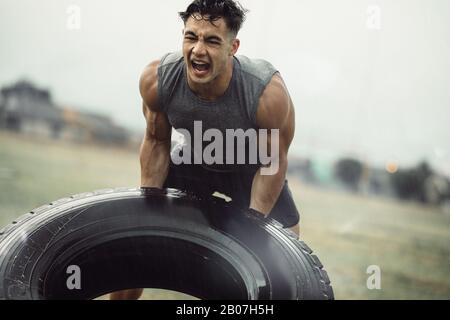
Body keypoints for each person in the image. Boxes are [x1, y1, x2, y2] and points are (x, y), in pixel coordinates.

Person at [110, 0, 299, 300]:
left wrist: (253, 224)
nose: (198, 50)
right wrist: (149, 209)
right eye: (191, 37)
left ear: (232, 47)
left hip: (251, 169)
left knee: (288, 265)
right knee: (139, 243)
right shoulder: (158, 80)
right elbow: (157, 141)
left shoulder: (266, 93)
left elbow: (273, 162)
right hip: (194, 159)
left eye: (212, 41)